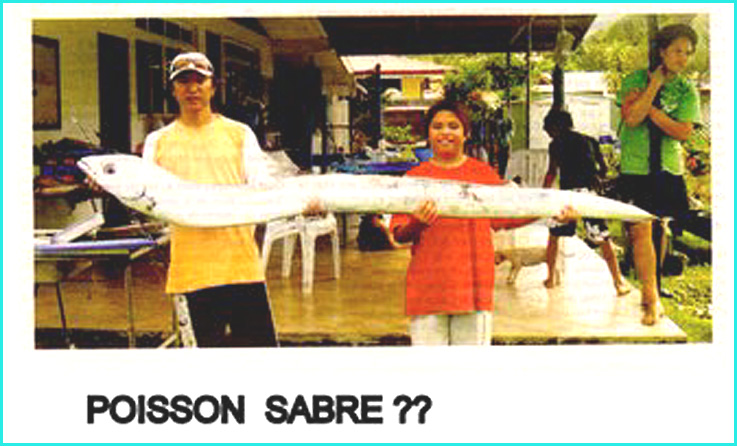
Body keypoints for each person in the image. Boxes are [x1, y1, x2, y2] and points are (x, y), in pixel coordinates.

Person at [389, 100, 578, 346]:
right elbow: (399, 234)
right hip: (428, 290)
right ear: (428, 134)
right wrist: (417, 223)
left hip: (473, 290)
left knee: (472, 367)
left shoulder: (482, 174)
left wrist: (553, 210)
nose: (445, 132)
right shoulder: (413, 179)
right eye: (437, 126)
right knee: (430, 366)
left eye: (453, 126)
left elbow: (506, 216)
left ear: (466, 134)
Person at [142, 52, 280, 347]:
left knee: (261, 362)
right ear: (173, 90)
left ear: (213, 87)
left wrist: (303, 206)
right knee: (205, 366)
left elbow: (265, 191)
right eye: (183, 82)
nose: (192, 88)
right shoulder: (157, 142)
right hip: (191, 273)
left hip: (242, 269)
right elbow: (147, 199)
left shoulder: (240, 134)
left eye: (199, 81)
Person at [617, 24, 701, 325]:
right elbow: (631, 118)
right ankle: (650, 297)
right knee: (640, 230)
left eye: (688, 53)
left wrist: (651, 110)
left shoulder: (687, 89)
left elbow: (683, 132)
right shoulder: (634, 80)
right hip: (636, 167)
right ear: (662, 51)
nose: (683, 58)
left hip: (667, 168)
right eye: (677, 51)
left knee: (660, 227)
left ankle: (652, 290)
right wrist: (653, 85)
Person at [541, 109, 631, 296]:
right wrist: (595, 178)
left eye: (547, 127)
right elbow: (604, 169)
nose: (545, 130)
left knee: (554, 236)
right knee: (603, 238)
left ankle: (550, 278)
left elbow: (551, 172)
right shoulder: (590, 140)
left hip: (568, 196)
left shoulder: (556, 144)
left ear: (557, 126)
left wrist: (543, 193)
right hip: (588, 195)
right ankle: (618, 282)